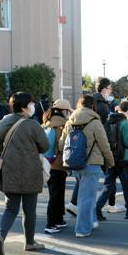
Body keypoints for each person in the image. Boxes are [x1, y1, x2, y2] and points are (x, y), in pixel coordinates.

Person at [0, 92, 49, 255]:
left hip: (9, 171)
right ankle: (29, 242)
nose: (33, 106)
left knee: (10, 208)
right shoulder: (32, 125)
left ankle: (1, 236)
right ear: (24, 107)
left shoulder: (2, 123)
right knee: (29, 209)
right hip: (30, 171)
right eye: (31, 104)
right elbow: (45, 146)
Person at [59, 95, 114, 238]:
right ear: (93, 106)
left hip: (74, 163)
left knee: (85, 195)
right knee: (87, 198)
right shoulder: (95, 122)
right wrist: (110, 161)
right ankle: (82, 229)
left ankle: (92, 221)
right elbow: (104, 144)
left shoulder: (70, 121)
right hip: (92, 163)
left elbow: (61, 143)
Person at [65, 78, 113, 217]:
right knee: (93, 190)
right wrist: (110, 159)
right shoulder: (101, 107)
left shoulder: (74, 117)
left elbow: (63, 140)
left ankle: (75, 204)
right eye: (110, 88)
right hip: (94, 151)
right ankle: (92, 215)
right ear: (104, 88)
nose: (110, 91)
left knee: (82, 180)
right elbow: (102, 137)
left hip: (77, 151)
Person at [96, 101, 128, 221]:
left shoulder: (109, 120)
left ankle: (97, 207)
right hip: (123, 158)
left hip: (111, 157)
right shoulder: (125, 123)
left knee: (108, 184)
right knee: (127, 186)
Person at [43, 99, 73, 234]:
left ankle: (59, 220)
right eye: (67, 111)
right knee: (56, 195)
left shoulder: (45, 124)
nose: (68, 114)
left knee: (56, 193)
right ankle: (50, 223)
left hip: (46, 164)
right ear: (63, 111)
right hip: (58, 164)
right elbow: (62, 146)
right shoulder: (63, 126)